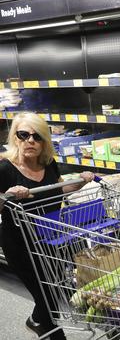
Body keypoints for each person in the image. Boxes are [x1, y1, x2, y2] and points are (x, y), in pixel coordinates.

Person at [0, 112, 94, 340]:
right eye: (23, 135)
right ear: (15, 137)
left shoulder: (48, 163)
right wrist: (8, 196)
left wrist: (80, 181)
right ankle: (50, 331)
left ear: (45, 141)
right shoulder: (4, 169)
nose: (30, 141)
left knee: (52, 291)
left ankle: (36, 321)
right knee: (46, 297)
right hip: (19, 243)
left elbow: (59, 189)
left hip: (49, 237)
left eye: (37, 136)